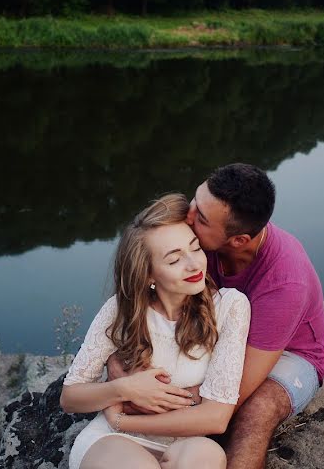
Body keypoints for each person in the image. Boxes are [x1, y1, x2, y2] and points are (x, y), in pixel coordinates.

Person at [60, 193, 252, 469]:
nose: (194, 264)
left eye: (195, 248)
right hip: (115, 441)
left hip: (187, 441)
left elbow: (216, 417)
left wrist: (121, 418)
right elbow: (70, 397)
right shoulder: (119, 309)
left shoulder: (230, 307)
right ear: (148, 275)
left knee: (206, 459)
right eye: (174, 260)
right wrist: (125, 387)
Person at [186, 163, 324, 469]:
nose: (187, 216)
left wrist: (170, 411)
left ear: (238, 240)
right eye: (194, 201)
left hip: (290, 353)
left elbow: (233, 394)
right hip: (224, 335)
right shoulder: (196, 234)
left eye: (200, 217)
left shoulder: (286, 282)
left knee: (256, 410)